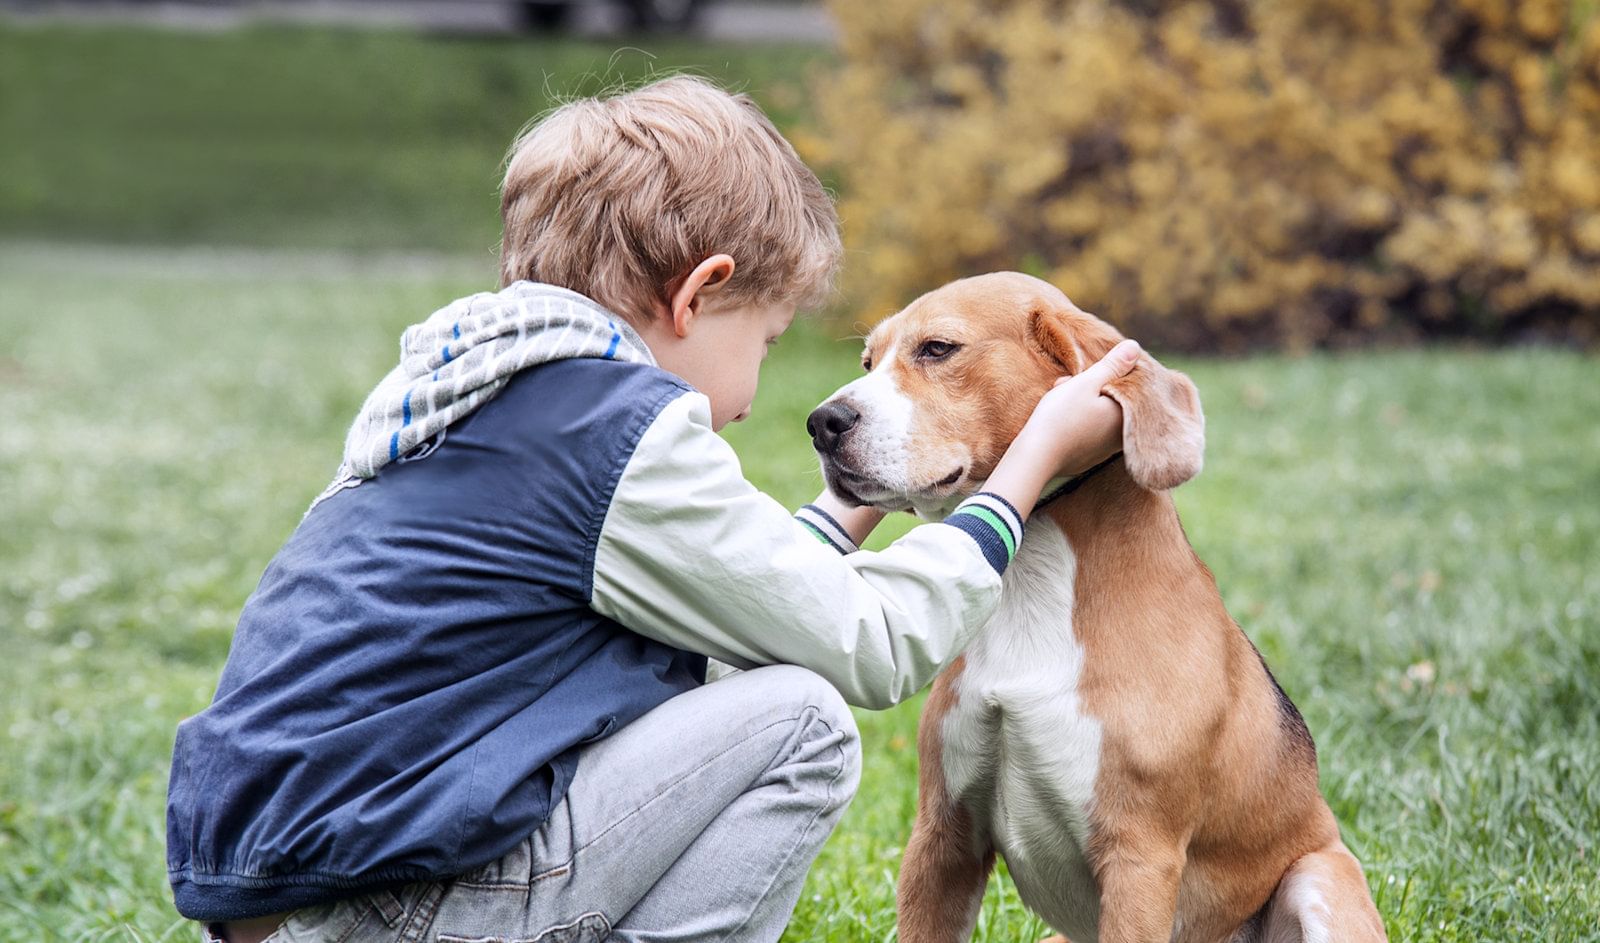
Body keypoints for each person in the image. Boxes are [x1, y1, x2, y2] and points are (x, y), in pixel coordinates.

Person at [165, 75, 1139, 943]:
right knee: (802, 720)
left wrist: (857, 497)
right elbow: (871, 642)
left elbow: (736, 612)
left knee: (701, 681)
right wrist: (1030, 464)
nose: (757, 393)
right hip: (411, 904)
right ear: (697, 297)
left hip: (292, 899)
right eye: (764, 340)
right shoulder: (611, 427)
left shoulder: (470, 396)